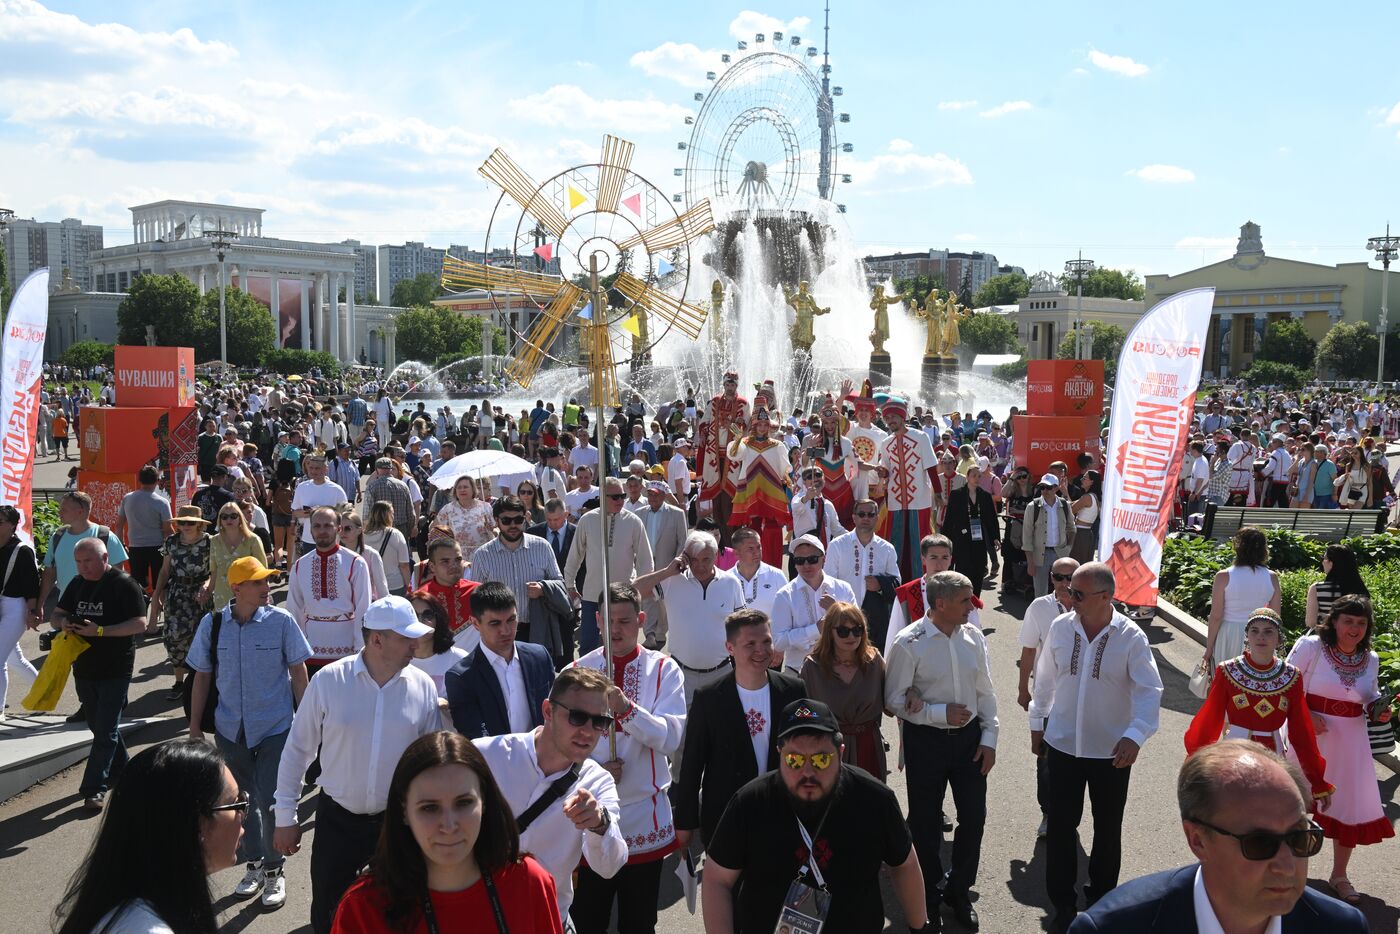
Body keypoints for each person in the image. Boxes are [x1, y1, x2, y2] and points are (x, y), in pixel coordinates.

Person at [1066, 741, 1365, 934]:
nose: (1288, 866)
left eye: (1300, 837)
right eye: (1260, 843)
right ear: (1197, 840)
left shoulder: (1342, 928)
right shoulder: (1112, 929)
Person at [274, 595, 442, 934]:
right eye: (406, 637)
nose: (416, 643)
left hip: (395, 825)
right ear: (377, 639)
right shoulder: (328, 681)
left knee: (398, 913)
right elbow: (297, 750)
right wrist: (285, 817)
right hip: (337, 822)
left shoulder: (422, 687)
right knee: (328, 913)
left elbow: (430, 765)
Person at [702, 698, 934, 934]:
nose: (808, 772)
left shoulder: (874, 799)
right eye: (795, 760)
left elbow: (904, 864)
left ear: (840, 753)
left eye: (821, 759)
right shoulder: (750, 802)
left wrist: (919, 928)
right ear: (779, 753)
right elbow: (717, 878)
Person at [1029, 562, 1164, 934]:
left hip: (1111, 754)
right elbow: (1044, 680)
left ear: (1106, 597)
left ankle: (1103, 902)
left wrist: (1135, 735)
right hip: (1062, 747)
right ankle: (1062, 905)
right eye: (1069, 589)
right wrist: (1037, 723)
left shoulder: (1131, 637)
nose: (1068, 597)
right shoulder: (1060, 626)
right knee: (1060, 827)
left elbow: (1150, 692)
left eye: (1077, 593)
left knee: (1107, 830)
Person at [332, 731, 562, 933]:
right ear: (404, 812)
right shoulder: (364, 908)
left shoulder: (529, 882)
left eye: (463, 803)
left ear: (484, 802)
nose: (449, 825)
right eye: (429, 808)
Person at [187, 556, 312, 910]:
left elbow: (298, 671)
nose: (266, 587)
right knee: (242, 802)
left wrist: (306, 721)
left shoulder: (281, 621)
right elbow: (202, 677)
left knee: (272, 799)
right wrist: (195, 727)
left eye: (267, 581)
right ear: (237, 588)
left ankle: (274, 870)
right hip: (229, 730)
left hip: (275, 727)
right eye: (258, 582)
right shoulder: (212, 625)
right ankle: (254, 864)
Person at [569, 584, 686, 934]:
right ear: (597, 622)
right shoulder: (577, 671)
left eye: (625, 620)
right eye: (609, 620)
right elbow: (560, 744)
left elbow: (670, 737)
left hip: (643, 816)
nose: (616, 629)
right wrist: (595, 772)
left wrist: (627, 710)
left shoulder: (664, 670)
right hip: (591, 815)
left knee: (638, 921)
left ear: (640, 619)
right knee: (589, 917)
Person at [886, 571, 998, 930]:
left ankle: (958, 891)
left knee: (974, 819)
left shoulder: (973, 638)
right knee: (925, 823)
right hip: (927, 743)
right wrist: (937, 713)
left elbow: (986, 692)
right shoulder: (909, 642)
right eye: (965, 600)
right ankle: (929, 896)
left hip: (969, 743)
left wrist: (989, 739)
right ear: (940, 604)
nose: (973, 606)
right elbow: (893, 700)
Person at [473, 667, 630, 922]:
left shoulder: (598, 781)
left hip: (546, 918)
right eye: (578, 717)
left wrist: (600, 824)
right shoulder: (485, 756)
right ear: (548, 711)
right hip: (481, 916)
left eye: (600, 722)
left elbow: (610, 866)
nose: (589, 732)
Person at [53, 738, 248, 934]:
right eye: (237, 803)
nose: (244, 814)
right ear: (195, 824)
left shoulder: (139, 897)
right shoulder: (146, 929)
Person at [1286, 596, 1394, 903]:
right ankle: (1293, 873)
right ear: (1334, 621)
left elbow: (1368, 695)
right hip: (1307, 738)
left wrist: (1378, 709)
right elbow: (1286, 683)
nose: (1355, 628)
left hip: (1351, 743)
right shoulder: (1311, 647)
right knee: (1297, 802)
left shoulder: (1370, 658)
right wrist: (1306, 714)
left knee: (1346, 806)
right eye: (1348, 621)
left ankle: (1339, 876)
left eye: (1361, 623)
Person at [672, 609, 808, 850]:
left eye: (766, 641)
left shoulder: (793, 690)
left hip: (781, 813)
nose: (761, 650)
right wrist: (685, 823)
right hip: (726, 816)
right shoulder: (709, 698)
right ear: (730, 648)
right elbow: (692, 764)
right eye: (750, 644)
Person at [1185, 607, 1333, 801]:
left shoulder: (1291, 676)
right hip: (1235, 751)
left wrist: (1317, 781)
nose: (1260, 637)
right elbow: (1209, 721)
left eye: (1268, 631)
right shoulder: (1228, 671)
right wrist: (1195, 764)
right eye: (1254, 630)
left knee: (1270, 812)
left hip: (1274, 756)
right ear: (1247, 636)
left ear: (1279, 639)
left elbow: (1301, 732)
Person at [55, 537, 149, 810]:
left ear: (105, 558)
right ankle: (127, 771)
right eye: (78, 562)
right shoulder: (77, 583)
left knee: (105, 730)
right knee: (99, 726)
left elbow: (140, 624)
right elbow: (57, 613)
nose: (83, 567)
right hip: (83, 666)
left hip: (115, 668)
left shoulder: (124, 584)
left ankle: (93, 788)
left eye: (88, 561)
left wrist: (100, 631)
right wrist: (64, 624)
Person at [632, 530, 744, 708]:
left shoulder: (731, 583)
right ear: (685, 557)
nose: (700, 565)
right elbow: (632, 592)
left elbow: (740, 628)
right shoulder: (672, 580)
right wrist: (666, 572)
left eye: (706, 559)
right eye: (694, 559)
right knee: (683, 733)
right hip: (681, 675)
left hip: (722, 674)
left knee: (720, 732)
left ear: (716, 556)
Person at [1017, 556, 1079, 837]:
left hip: (1081, 698)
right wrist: (1022, 689)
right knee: (1045, 758)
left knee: (1079, 759)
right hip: (1047, 697)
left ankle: (1069, 815)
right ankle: (1048, 813)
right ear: (1050, 578)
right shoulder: (1039, 608)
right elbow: (1029, 650)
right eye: (1059, 577)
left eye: (1072, 577)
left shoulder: (1091, 607)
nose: (1066, 584)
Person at [445, 581, 555, 739]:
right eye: (495, 623)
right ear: (475, 623)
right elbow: (476, 737)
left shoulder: (539, 657)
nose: (505, 630)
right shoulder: (461, 677)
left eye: (511, 620)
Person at [565, 476, 654, 655]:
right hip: (592, 596)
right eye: (615, 497)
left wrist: (643, 589)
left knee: (624, 645)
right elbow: (575, 555)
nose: (620, 500)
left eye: (622, 496)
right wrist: (569, 584)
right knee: (589, 647)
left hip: (624, 597)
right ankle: (588, 682)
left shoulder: (633, 521)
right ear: (602, 497)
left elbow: (645, 559)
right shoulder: (587, 520)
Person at [467, 496, 566, 653]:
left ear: (525, 517)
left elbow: (560, 583)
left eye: (518, 519)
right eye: (506, 520)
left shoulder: (542, 546)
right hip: (499, 631)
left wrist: (543, 588)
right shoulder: (483, 555)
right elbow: (476, 598)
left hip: (535, 629)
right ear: (496, 521)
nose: (513, 525)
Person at [800, 602, 887, 779]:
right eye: (843, 631)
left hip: (868, 745)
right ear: (829, 632)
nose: (851, 636)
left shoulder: (875, 661)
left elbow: (894, 698)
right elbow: (803, 716)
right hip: (828, 748)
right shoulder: (812, 667)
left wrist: (911, 693)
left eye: (857, 630)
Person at [287, 506, 372, 672]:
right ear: (310, 530)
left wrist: (360, 648)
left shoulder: (355, 562)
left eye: (328, 525)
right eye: (317, 526)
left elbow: (363, 608)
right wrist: (296, 647)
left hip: (346, 649)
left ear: (338, 529)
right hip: (310, 649)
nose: (322, 530)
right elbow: (293, 608)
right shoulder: (300, 565)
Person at [770, 535, 858, 673]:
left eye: (812, 559)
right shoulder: (785, 595)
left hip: (839, 670)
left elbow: (859, 629)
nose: (806, 565)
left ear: (823, 559)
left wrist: (838, 612)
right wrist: (815, 629)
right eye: (799, 561)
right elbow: (779, 642)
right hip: (799, 671)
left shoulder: (843, 588)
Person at [877, 396, 939, 580]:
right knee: (896, 542)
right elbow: (886, 468)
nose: (890, 421)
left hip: (919, 500)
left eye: (893, 417)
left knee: (919, 541)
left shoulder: (921, 437)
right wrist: (882, 472)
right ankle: (896, 583)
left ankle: (922, 582)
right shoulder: (885, 443)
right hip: (895, 501)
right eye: (887, 418)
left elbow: (931, 467)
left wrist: (940, 494)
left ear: (902, 416)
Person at [1205, 527, 1281, 669]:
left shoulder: (1223, 576)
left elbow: (1216, 616)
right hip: (1260, 634)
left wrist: (1209, 647)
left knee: (1227, 680)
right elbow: (1275, 616)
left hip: (1228, 633)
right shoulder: (1272, 577)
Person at [635, 479, 687, 649]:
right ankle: (649, 634)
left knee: (663, 602)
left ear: (664, 496)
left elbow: (682, 542)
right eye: (649, 495)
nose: (652, 498)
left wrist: (677, 563)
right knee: (648, 600)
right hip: (645, 566)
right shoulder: (640, 513)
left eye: (655, 495)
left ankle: (661, 632)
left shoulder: (677, 514)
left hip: (667, 567)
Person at [0, 505, 40, 718]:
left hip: (15, 606)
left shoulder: (22, 550)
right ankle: (44, 695)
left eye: (0, 522)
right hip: (1, 605)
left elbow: (32, 584)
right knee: (14, 660)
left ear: (13, 525)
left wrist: (33, 611)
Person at [942, 463, 1000, 594]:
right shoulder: (957, 495)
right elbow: (949, 518)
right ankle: (961, 601)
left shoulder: (985, 496)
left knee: (978, 570)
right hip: (960, 539)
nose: (976, 478)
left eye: (979, 476)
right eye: (973, 475)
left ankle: (975, 601)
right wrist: (945, 539)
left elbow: (991, 518)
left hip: (978, 538)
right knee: (962, 571)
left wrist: (995, 537)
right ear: (967, 477)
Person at [115, 465, 173, 596]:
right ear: (157, 481)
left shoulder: (127, 498)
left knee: (138, 583)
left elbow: (119, 525)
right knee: (161, 582)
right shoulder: (162, 502)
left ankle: (140, 610)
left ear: (139, 480)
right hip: (158, 547)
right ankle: (158, 611)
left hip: (135, 547)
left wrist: (121, 544)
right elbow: (167, 530)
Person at [408, 592, 469, 701]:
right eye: (413, 615)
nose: (421, 621)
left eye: (428, 615)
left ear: (438, 619)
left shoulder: (460, 659)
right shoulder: (394, 662)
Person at [207, 502, 267, 610]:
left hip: (248, 595)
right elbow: (214, 572)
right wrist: (207, 593)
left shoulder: (253, 540)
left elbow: (263, 572)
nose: (228, 520)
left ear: (240, 518)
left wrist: (263, 594)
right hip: (222, 596)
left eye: (233, 516)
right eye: (224, 517)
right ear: (220, 520)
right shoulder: (214, 541)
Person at [1022, 474, 1075, 598]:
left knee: (1064, 589)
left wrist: (1069, 548)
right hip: (1040, 554)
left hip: (1060, 552)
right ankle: (1041, 616)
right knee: (1040, 593)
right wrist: (1030, 562)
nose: (1045, 490)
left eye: (1048, 487)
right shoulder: (1032, 507)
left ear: (1056, 488)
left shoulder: (1064, 505)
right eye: (1042, 487)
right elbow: (1027, 537)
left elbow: (1072, 528)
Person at [291, 454, 349, 559]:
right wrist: (310, 513)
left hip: (331, 540)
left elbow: (346, 514)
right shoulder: (302, 487)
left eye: (317, 468)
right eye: (311, 468)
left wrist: (323, 513)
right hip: (308, 539)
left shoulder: (336, 490)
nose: (313, 471)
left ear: (326, 469)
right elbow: (295, 511)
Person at [1305, 543, 1369, 631]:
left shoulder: (1317, 589)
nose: (1323, 561)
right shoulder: (1360, 589)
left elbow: (1311, 623)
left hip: (1326, 640)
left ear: (1331, 563)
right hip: (1354, 639)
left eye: (1324, 558)